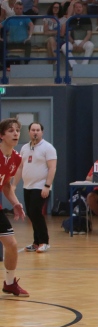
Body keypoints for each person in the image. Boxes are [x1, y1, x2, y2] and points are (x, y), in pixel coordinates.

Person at [0, 118, 28, 297]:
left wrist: (15, 203)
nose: (16, 133)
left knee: (11, 244)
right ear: (1, 135)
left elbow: (6, 185)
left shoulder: (16, 158)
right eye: (11, 130)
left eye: (17, 130)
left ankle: (9, 284)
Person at [18, 122, 56, 253]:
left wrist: (47, 186)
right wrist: (13, 185)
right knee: (31, 213)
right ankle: (36, 242)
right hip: (27, 186)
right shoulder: (24, 148)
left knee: (36, 212)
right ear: (29, 132)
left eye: (38, 130)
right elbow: (20, 167)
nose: (35, 132)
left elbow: (52, 168)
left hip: (40, 186)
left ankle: (44, 241)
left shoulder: (48, 148)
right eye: (33, 130)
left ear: (42, 132)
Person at [61, 0, 95, 67]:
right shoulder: (70, 19)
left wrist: (82, 43)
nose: (78, 9)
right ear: (74, 9)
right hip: (73, 41)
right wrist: (73, 42)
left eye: (80, 7)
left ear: (82, 8)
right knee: (64, 47)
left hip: (84, 41)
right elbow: (68, 34)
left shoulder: (87, 19)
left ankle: (84, 65)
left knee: (91, 45)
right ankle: (74, 65)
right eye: (76, 7)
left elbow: (89, 33)